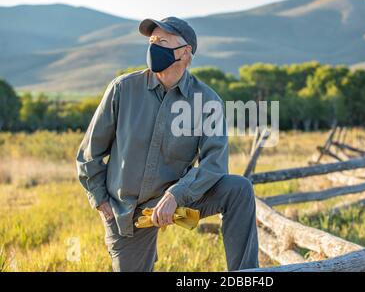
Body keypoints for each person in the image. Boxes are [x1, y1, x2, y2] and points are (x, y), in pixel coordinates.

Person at [75, 16, 259, 272]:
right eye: (151, 41)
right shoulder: (122, 89)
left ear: (185, 53)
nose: (153, 47)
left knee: (239, 189)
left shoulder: (207, 101)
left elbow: (214, 163)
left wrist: (176, 194)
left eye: (162, 41)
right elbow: (88, 155)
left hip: (178, 200)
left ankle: (246, 276)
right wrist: (101, 202)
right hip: (128, 213)